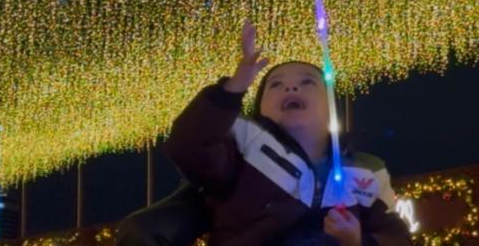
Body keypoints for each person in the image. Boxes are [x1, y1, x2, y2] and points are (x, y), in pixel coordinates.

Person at [117, 20, 412, 246]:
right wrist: (234, 86)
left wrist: (359, 241)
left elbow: (396, 238)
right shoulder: (242, 146)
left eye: (308, 82)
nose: (291, 87)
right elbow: (188, 146)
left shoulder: (367, 171)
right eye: (276, 84)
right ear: (260, 107)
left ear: (331, 105)